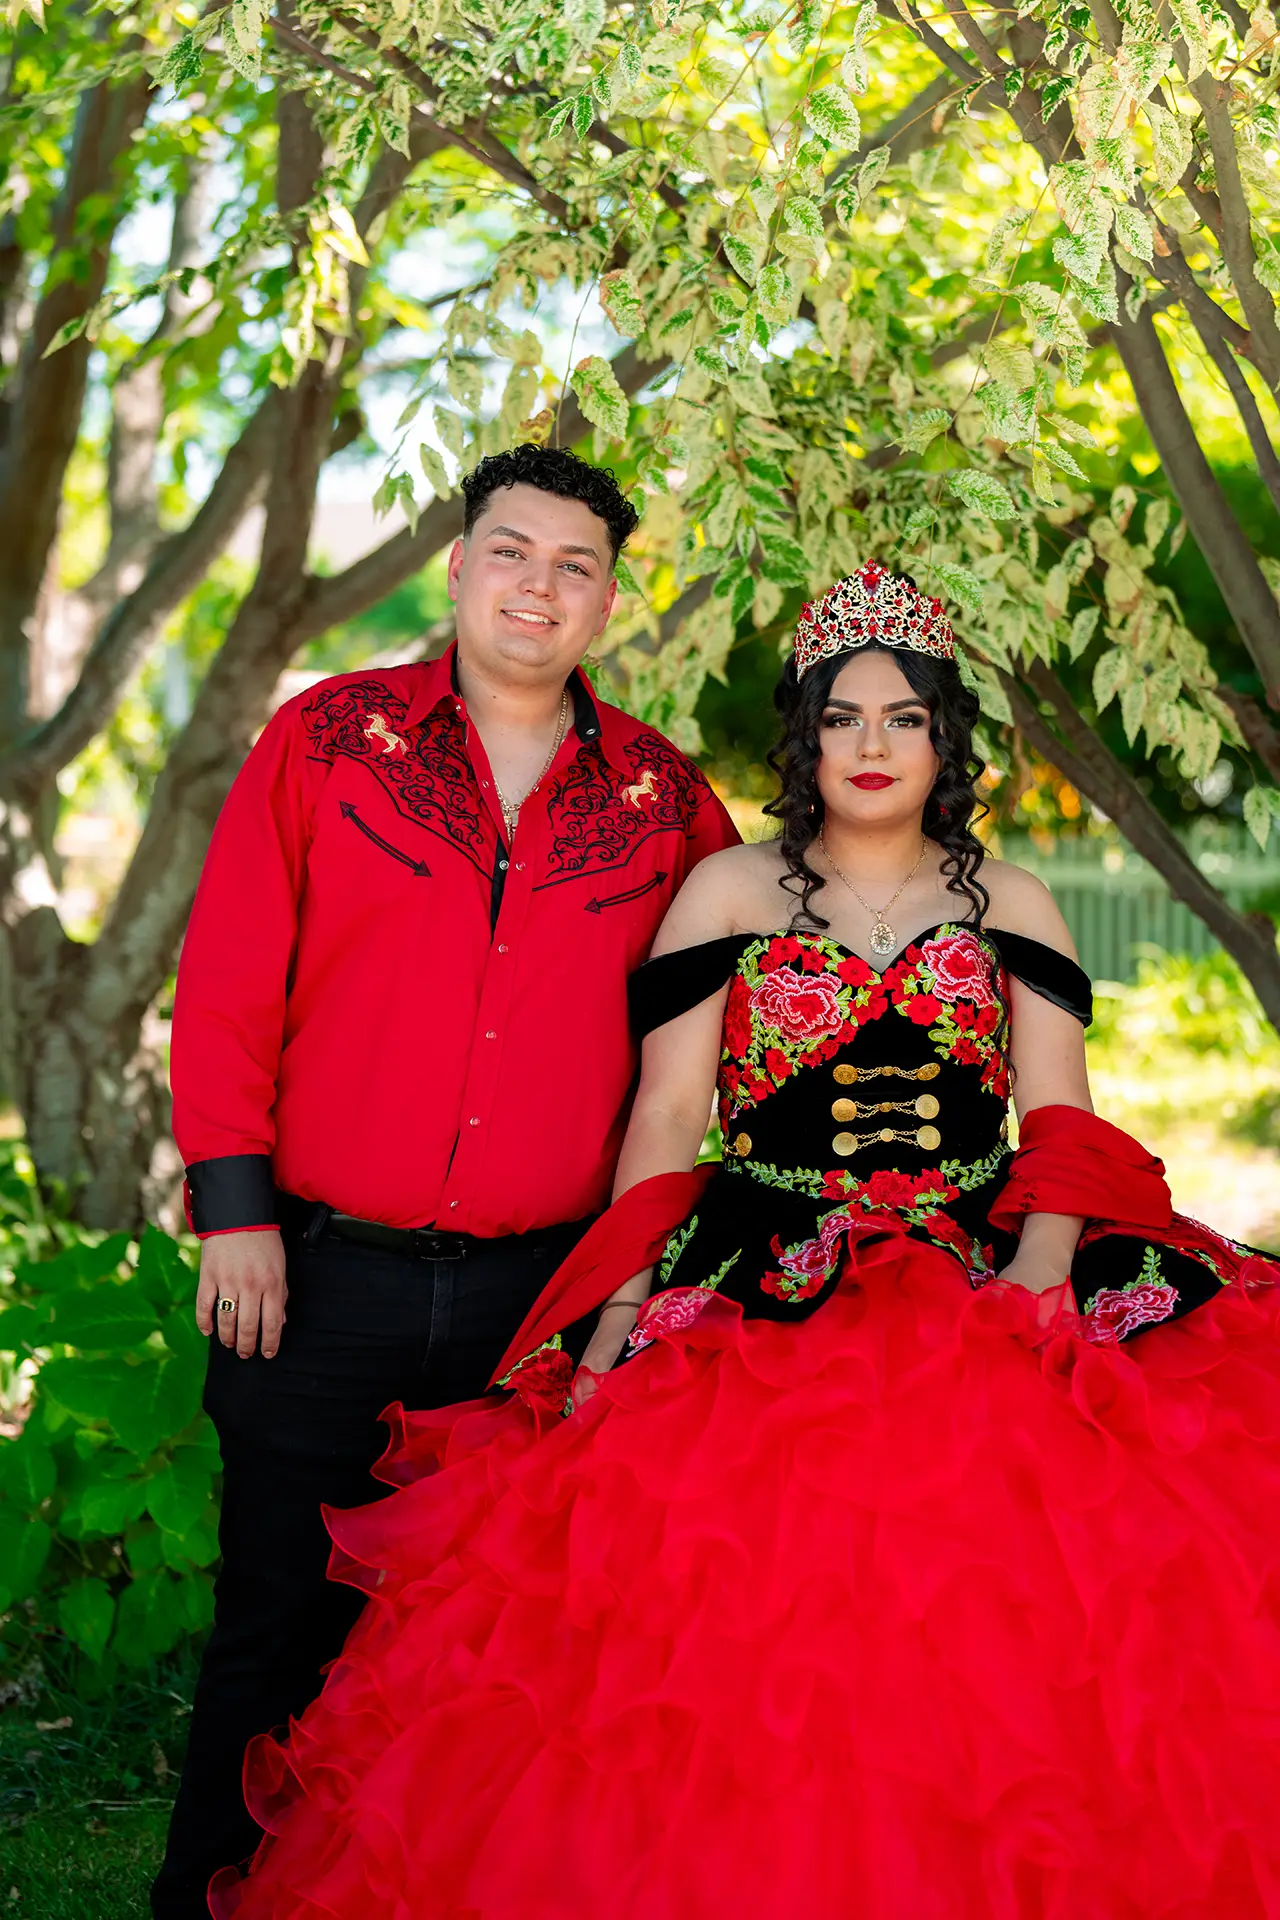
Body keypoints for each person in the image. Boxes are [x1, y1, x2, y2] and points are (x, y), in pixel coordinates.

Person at [211, 564, 1280, 1920]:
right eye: (846, 720)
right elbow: (664, 1118)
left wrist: (1041, 1283)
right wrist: (609, 1328)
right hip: (759, 1282)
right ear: (807, 736)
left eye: (906, 718)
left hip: (981, 1264)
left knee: (1017, 1617)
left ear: (947, 739)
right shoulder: (724, 889)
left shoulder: (1012, 898)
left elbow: (1061, 1112)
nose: (876, 747)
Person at [151, 445, 739, 1917]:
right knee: (275, 1623)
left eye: (575, 565)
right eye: (511, 552)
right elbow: (226, 983)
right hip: (311, 1275)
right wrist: (235, 1213)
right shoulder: (327, 743)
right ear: (459, 565)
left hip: (535, 1305)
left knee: (475, 1663)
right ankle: (208, 1899)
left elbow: (738, 1015)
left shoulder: (669, 804)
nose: (538, 585)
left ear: (611, 599)